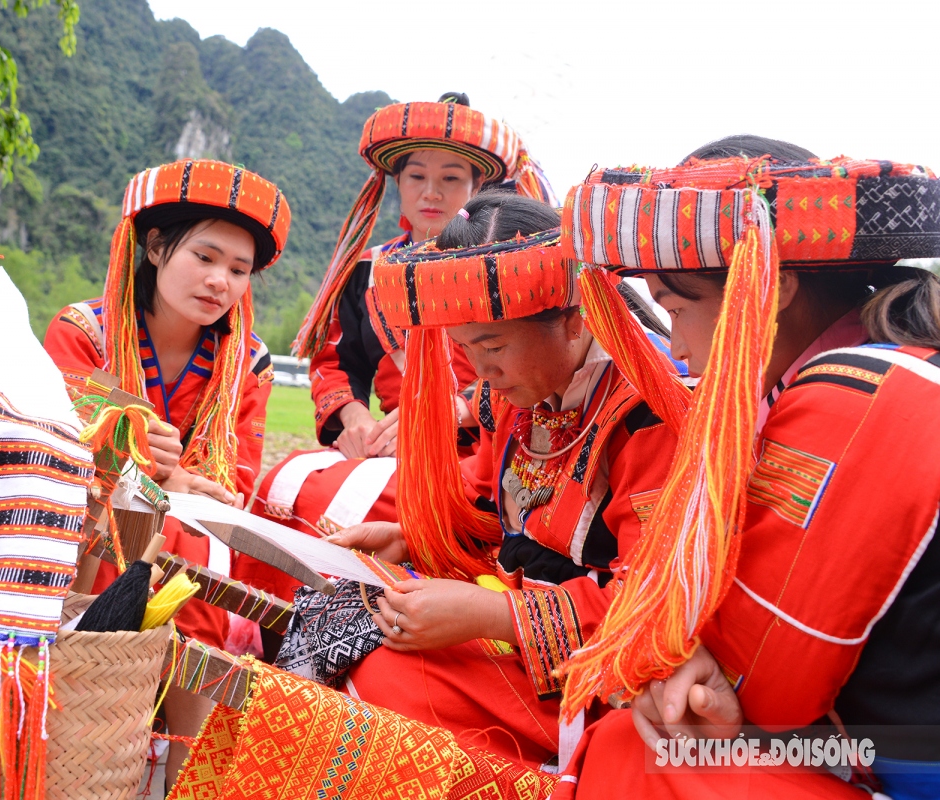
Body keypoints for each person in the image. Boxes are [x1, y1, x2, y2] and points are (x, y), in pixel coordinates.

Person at [553, 136, 940, 799]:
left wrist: (690, 669)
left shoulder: (858, 399)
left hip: (910, 759)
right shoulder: (885, 371)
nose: (673, 347)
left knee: (636, 750)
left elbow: (766, 689)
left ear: (774, 288)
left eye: (677, 310)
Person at [283, 192, 680, 768]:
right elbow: (497, 519)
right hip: (519, 618)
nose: (483, 374)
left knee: (382, 683)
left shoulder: (648, 413)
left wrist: (493, 616)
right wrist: (405, 537)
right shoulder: (511, 397)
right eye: (466, 350)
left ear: (572, 323)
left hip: (599, 675)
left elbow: (651, 605)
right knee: (334, 609)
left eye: (492, 347)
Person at [235, 94, 557, 617]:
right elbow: (334, 361)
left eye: (451, 179)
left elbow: (532, 370)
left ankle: (339, 627)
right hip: (386, 444)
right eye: (416, 177)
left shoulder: (506, 267)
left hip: (480, 449)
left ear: (478, 189)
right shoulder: (365, 270)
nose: (431, 193)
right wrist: (352, 415)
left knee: (346, 502)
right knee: (282, 481)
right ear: (396, 185)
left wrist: (447, 410)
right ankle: (262, 627)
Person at [43, 158, 290, 785]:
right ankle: (74, 736)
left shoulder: (248, 361)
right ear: (155, 246)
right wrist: (156, 480)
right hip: (79, 517)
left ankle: (183, 766)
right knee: (130, 529)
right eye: (204, 257)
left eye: (238, 270)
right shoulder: (85, 332)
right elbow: (59, 449)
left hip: (188, 525)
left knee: (192, 548)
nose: (220, 282)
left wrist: (171, 484)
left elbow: (230, 479)